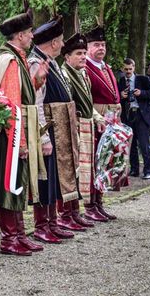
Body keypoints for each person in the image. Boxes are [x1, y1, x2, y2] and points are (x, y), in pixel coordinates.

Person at [0, 8, 48, 255]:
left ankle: (19, 234)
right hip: (10, 135)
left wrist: (37, 81)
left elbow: (22, 91)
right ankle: (9, 239)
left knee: (18, 185)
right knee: (10, 186)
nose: (32, 36)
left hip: (15, 134)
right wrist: (19, 142)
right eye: (30, 32)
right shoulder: (10, 61)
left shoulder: (16, 57)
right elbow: (11, 105)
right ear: (20, 35)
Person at [28, 15, 79, 243]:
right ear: (55, 42)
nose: (63, 42)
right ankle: (41, 225)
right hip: (48, 128)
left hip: (58, 129)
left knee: (54, 178)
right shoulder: (36, 63)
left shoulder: (51, 61)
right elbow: (36, 102)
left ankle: (52, 221)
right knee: (44, 178)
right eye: (61, 39)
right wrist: (43, 135)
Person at [61, 32, 105, 227]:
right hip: (76, 127)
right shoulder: (65, 75)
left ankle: (77, 211)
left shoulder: (83, 73)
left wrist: (97, 116)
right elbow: (70, 104)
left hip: (87, 126)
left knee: (84, 172)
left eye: (84, 53)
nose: (83, 57)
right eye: (78, 53)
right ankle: (67, 213)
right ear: (67, 56)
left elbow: (87, 103)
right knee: (73, 172)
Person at [83, 25, 121, 218]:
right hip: (96, 120)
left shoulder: (106, 67)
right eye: (97, 44)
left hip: (110, 119)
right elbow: (85, 98)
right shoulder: (86, 68)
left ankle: (99, 202)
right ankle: (90, 206)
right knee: (94, 162)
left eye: (103, 45)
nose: (101, 48)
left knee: (105, 162)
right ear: (88, 47)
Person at [118, 58, 150, 180]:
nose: (128, 71)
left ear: (134, 68)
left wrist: (142, 93)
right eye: (126, 69)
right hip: (128, 115)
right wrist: (121, 96)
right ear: (123, 69)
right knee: (131, 144)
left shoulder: (143, 79)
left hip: (141, 114)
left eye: (130, 69)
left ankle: (148, 170)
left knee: (144, 144)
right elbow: (116, 98)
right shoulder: (121, 81)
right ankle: (134, 169)